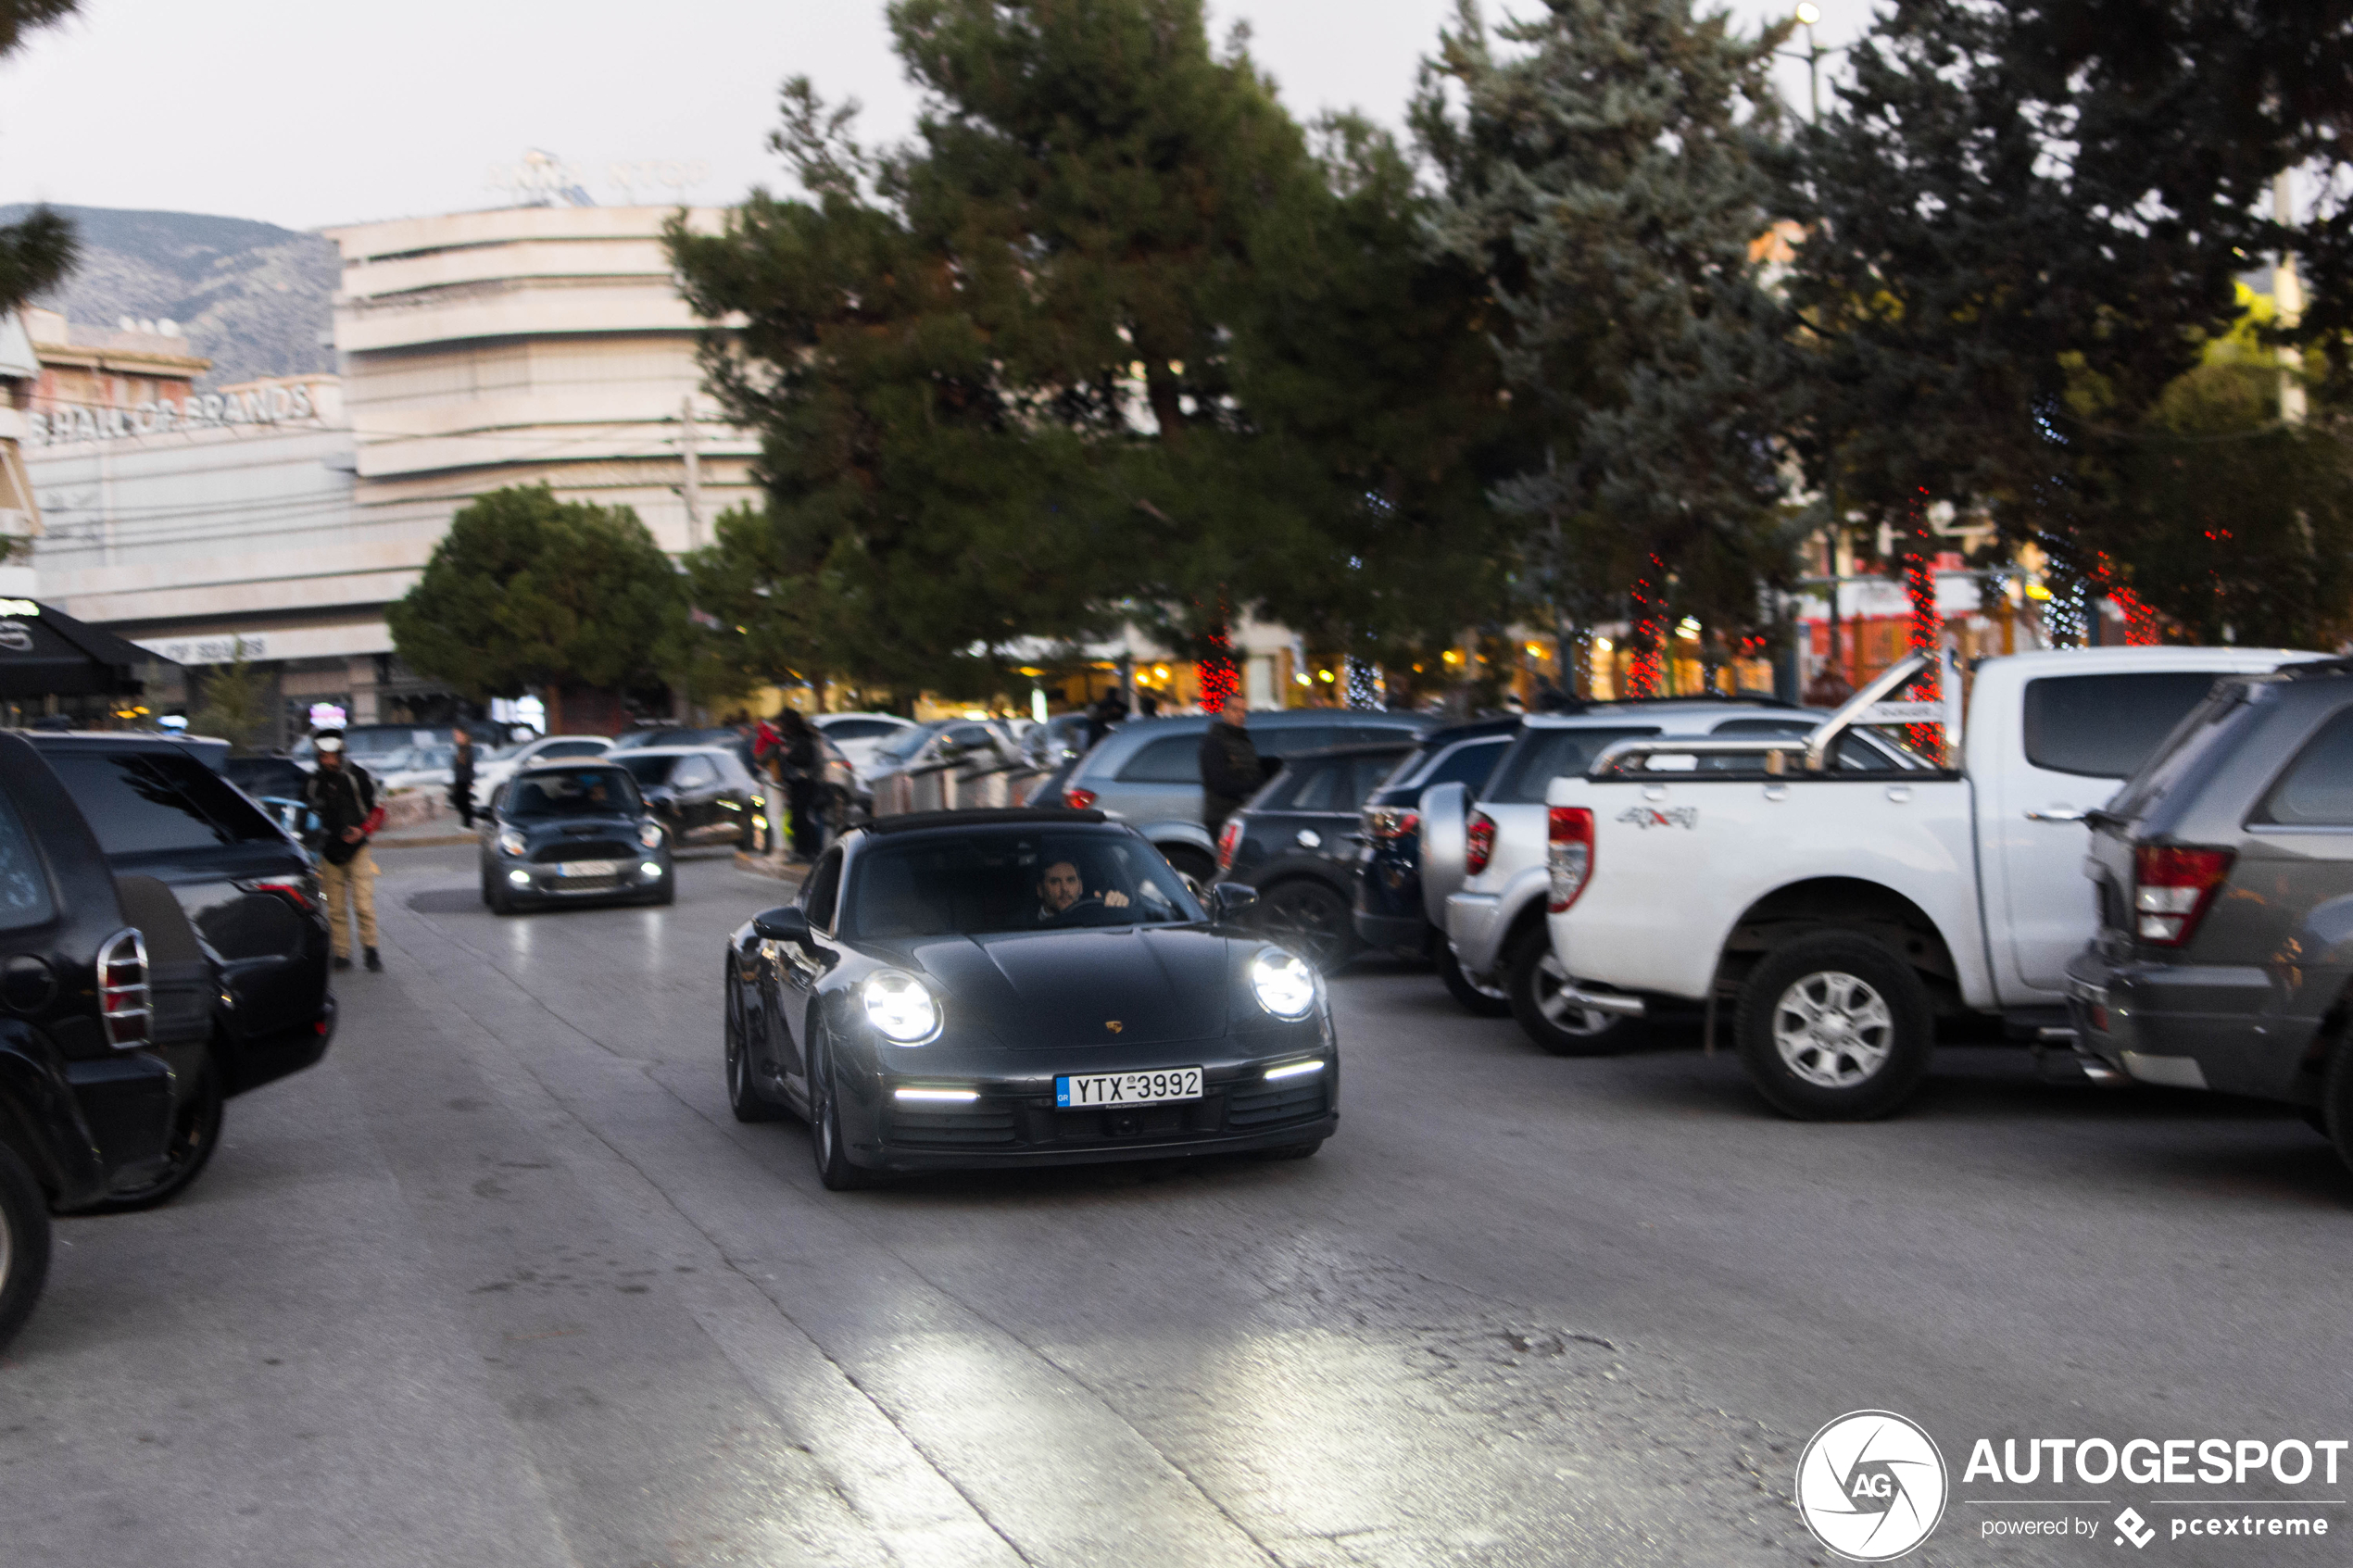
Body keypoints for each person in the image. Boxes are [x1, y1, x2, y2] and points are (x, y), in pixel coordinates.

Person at [301, 730, 385, 972]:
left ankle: (371, 950)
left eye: (331, 756)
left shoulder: (357, 776)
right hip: (328, 853)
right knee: (335, 908)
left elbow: (378, 809)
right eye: (323, 756)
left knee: (363, 905)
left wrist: (363, 830)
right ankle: (341, 954)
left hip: (358, 850)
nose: (327, 761)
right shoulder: (313, 782)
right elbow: (303, 815)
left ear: (340, 753)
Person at [1197, 695, 1262, 842]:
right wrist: (1254, 787)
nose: (1240, 715)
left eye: (1243, 711)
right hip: (1223, 816)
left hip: (1239, 814)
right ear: (1224, 712)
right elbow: (1220, 783)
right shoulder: (1215, 742)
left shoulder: (1243, 739)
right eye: (1235, 710)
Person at [775, 709, 823, 860]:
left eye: (783, 723)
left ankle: (809, 851)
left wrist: (788, 754)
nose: (781, 727)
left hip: (804, 783)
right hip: (795, 783)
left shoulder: (802, 738)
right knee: (797, 818)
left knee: (802, 818)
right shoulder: (792, 738)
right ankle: (802, 850)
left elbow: (804, 759)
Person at [1033, 858, 1129, 924]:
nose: (1064, 888)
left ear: (1080, 887)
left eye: (1071, 880)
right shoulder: (1026, 926)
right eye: (1055, 882)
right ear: (1040, 890)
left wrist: (1118, 911)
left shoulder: (1096, 919)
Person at [448, 724, 478, 828]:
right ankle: (467, 823)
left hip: (464, 780)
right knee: (459, 801)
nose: (456, 737)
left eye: (457, 735)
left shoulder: (467, 749)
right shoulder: (459, 748)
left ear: (463, 735)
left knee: (462, 802)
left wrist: (470, 782)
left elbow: (470, 767)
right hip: (459, 779)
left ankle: (469, 824)